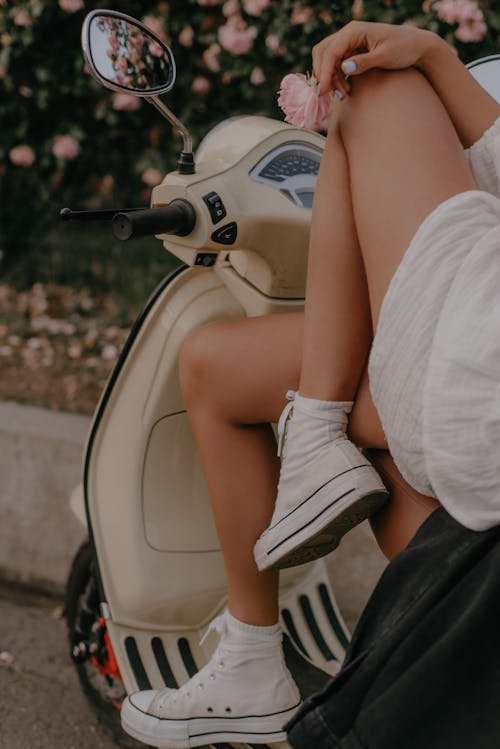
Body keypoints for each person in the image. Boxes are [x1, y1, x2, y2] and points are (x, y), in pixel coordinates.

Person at [120, 20, 500, 748]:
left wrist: (425, 61)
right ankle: (253, 661)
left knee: (373, 87)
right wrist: (438, 52)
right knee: (215, 366)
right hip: (469, 389)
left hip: (475, 372)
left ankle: (316, 433)